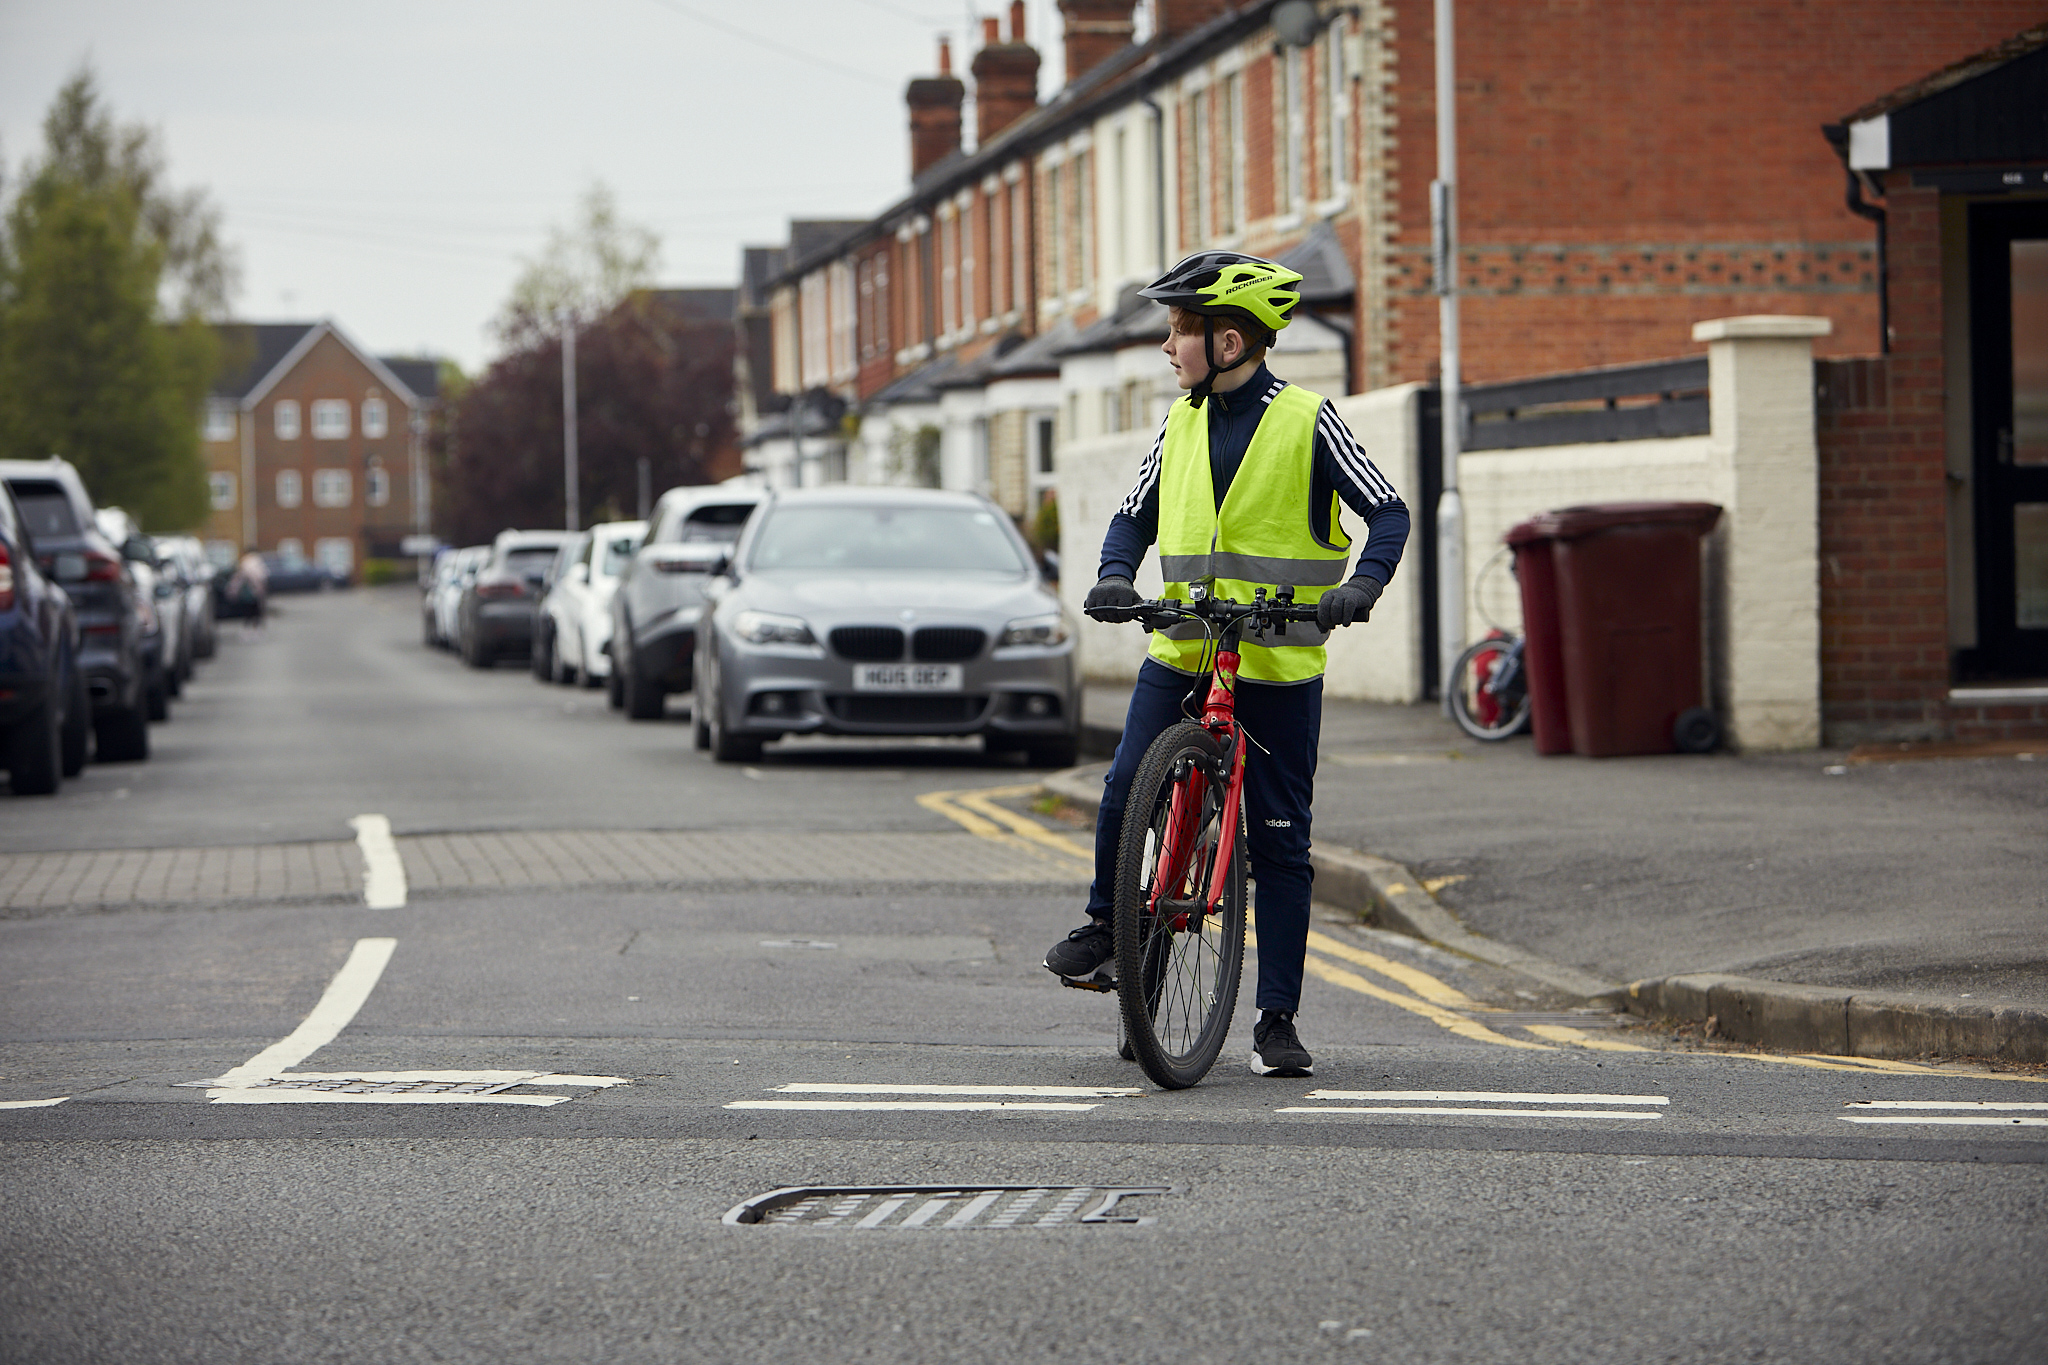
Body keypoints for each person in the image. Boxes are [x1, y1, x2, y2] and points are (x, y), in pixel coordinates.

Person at [1044, 250, 1410, 1078]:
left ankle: (1275, 1018)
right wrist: (1112, 574)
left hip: (1277, 666)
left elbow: (1387, 509)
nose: (1169, 346)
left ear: (1233, 340)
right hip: (1183, 648)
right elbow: (1132, 515)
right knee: (1126, 778)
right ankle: (1109, 924)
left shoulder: (1309, 420)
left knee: (1280, 842)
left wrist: (1363, 584)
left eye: (1181, 328)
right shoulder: (1179, 421)